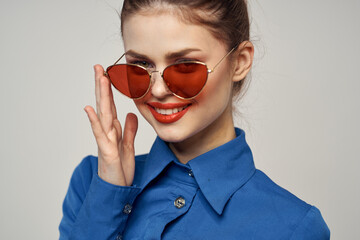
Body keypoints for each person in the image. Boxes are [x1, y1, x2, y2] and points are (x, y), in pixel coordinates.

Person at [59, 0, 330, 239]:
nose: (158, 90)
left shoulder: (294, 227)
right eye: (141, 66)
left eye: (185, 66)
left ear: (240, 61)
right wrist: (108, 196)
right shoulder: (92, 183)